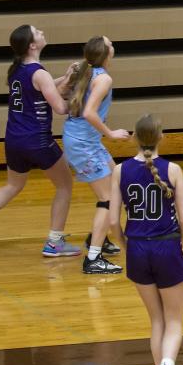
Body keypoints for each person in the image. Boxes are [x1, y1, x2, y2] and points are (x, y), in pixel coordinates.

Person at [0, 25, 82, 258]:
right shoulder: (39, 73)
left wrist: (68, 77)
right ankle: (54, 243)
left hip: (13, 139)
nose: (42, 32)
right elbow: (60, 107)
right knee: (64, 186)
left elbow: (43, 86)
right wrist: (80, 98)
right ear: (32, 45)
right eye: (37, 32)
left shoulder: (17, 70)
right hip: (37, 139)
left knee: (13, 185)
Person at [107, 114, 183, 365]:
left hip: (137, 249)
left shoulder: (119, 170)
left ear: (134, 138)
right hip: (166, 245)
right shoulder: (174, 170)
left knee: (156, 320)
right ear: (161, 136)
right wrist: (181, 240)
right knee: (174, 321)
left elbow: (111, 222)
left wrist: (125, 244)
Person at [63, 36, 130, 274]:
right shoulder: (103, 78)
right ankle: (93, 258)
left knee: (117, 185)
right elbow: (90, 112)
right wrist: (110, 133)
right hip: (83, 144)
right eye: (110, 43)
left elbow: (66, 97)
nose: (113, 44)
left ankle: (98, 236)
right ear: (106, 53)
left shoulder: (86, 70)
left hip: (84, 140)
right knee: (108, 200)